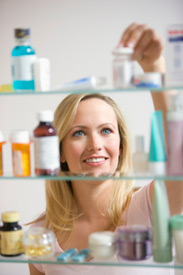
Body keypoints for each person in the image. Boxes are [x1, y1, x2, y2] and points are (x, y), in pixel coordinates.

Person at [29, 23, 183, 275]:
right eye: (79, 132)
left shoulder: (151, 204)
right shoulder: (40, 233)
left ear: (121, 146)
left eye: (106, 131)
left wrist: (154, 69)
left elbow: (178, 155)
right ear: (58, 152)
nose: (95, 145)